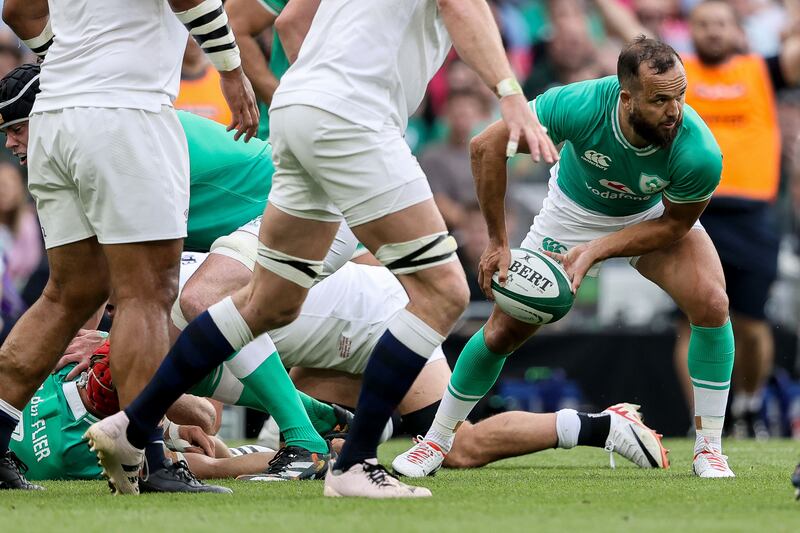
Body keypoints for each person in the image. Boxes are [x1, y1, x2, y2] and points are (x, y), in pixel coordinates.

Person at [88, 0, 558, 498]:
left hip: (298, 109)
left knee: (266, 301)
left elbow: (291, 22)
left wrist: (320, 86)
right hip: (353, 118)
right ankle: (353, 463)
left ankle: (132, 427)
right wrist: (509, 94)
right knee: (442, 292)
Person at [0, 62, 357, 487]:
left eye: (18, 129)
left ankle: (306, 446)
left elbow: (125, 277)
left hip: (309, 209)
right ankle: (322, 418)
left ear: (49, 115)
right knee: (165, 344)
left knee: (198, 301)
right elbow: (82, 285)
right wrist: (77, 353)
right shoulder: (83, 148)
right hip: (262, 225)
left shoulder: (124, 141)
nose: (10, 143)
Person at [395, 37, 736, 479]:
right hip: (571, 214)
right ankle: (436, 441)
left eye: (680, 96)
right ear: (625, 96)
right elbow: (486, 146)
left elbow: (674, 225)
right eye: (660, 100)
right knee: (502, 331)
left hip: (648, 216)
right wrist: (498, 242)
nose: (674, 111)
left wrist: (598, 249)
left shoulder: (699, 152)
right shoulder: (578, 104)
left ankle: (709, 448)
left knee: (712, 303)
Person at [0, 0, 261, 491]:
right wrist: (229, 67)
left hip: (55, 115)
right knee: (147, 292)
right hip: (125, 111)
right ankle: (151, 461)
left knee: (67, 295)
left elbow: (18, 8)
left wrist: (70, 61)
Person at [596, 0, 800, 437]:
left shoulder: (759, 70)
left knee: (751, 323)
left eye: (720, 24)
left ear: (736, 29)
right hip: (683, 210)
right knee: (689, 318)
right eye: (703, 24)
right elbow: (632, 36)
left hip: (749, 213)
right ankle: (704, 422)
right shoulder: (675, 77)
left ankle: (747, 406)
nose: (712, 32)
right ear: (691, 29)